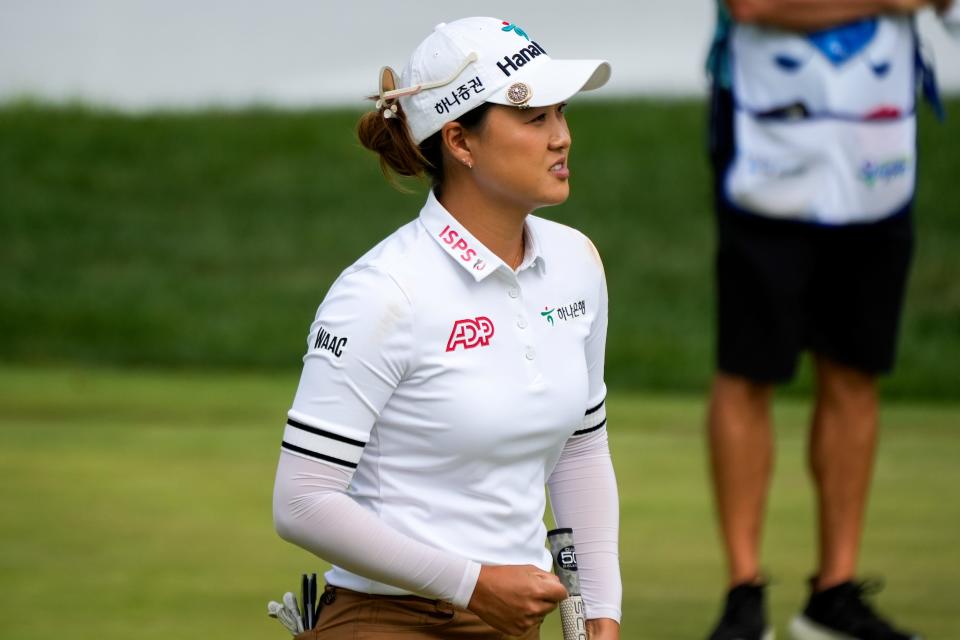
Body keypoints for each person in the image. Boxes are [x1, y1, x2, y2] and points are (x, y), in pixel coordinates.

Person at [272, 17, 621, 640]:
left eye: (561, 114)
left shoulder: (577, 263)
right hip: (386, 618)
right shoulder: (381, 291)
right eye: (534, 118)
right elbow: (302, 501)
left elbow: (580, 449)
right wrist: (473, 584)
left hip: (516, 618)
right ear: (459, 142)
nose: (562, 137)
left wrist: (599, 614)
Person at [703, 1, 955, 639]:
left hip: (876, 147)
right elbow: (755, 5)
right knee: (748, 366)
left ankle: (834, 594)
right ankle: (743, 594)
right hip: (767, 143)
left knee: (854, 367)